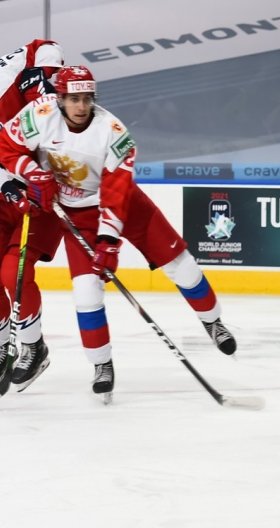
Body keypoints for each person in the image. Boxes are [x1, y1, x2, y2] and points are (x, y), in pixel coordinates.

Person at [0, 65, 237, 400]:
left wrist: (108, 242)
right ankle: (102, 364)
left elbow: (116, 191)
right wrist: (32, 173)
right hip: (75, 215)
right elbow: (6, 144)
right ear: (60, 98)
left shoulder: (112, 131)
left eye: (87, 99)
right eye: (74, 99)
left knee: (181, 265)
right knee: (86, 294)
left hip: (124, 205)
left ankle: (213, 321)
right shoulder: (38, 115)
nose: (81, 106)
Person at [0, 39, 65, 392]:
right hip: (7, 192)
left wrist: (41, 81)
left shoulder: (8, 67)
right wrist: (5, 184)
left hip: (41, 190)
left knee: (14, 272)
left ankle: (32, 346)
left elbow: (44, 47)